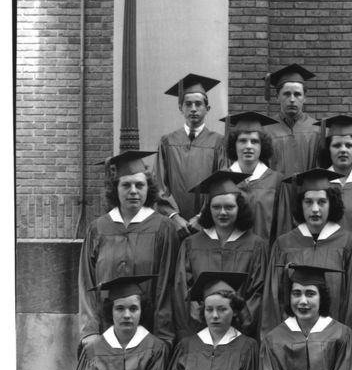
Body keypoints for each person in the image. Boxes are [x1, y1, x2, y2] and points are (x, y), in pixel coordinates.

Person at [79, 150, 180, 348]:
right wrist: (89, 331)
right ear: (115, 189)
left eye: (139, 185)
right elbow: (86, 282)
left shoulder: (162, 228)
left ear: (148, 189)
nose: (133, 191)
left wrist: (163, 336)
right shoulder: (98, 228)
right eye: (126, 185)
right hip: (105, 334)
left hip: (150, 334)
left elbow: (167, 285)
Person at [262, 169, 352, 348]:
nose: (315, 209)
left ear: (331, 204)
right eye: (308, 202)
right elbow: (273, 300)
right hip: (290, 346)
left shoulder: (350, 244)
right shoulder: (284, 244)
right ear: (300, 204)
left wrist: (346, 344)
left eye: (322, 202)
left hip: (335, 345)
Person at [172, 171, 268, 341]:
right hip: (200, 334)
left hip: (240, 336)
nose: (222, 212)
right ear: (208, 209)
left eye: (229, 207)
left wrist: (241, 321)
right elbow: (183, 291)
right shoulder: (191, 244)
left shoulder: (255, 246)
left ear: (240, 208)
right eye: (216, 207)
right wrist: (201, 320)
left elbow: (257, 292)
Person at [153, 74, 226, 232]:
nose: (193, 109)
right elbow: (159, 183)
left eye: (198, 104)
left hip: (207, 224)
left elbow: (220, 184)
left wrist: (201, 217)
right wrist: (174, 216)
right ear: (181, 108)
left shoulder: (219, 143)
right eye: (188, 104)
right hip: (173, 226)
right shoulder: (166, 142)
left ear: (207, 109)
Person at [222, 111, 291, 243]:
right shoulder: (223, 179)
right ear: (234, 145)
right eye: (242, 141)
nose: (248, 146)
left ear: (262, 146)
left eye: (254, 141)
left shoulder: (277, 181)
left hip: (265, 258)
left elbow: (283, 228)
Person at [262, 63, 323, 178]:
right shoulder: (266, 130)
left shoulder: (317, 129)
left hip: (307, 194)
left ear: (305, 97)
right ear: (277, 96)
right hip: (276, 192)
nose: (292, 99)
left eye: (297, 94)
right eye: (286, 94)